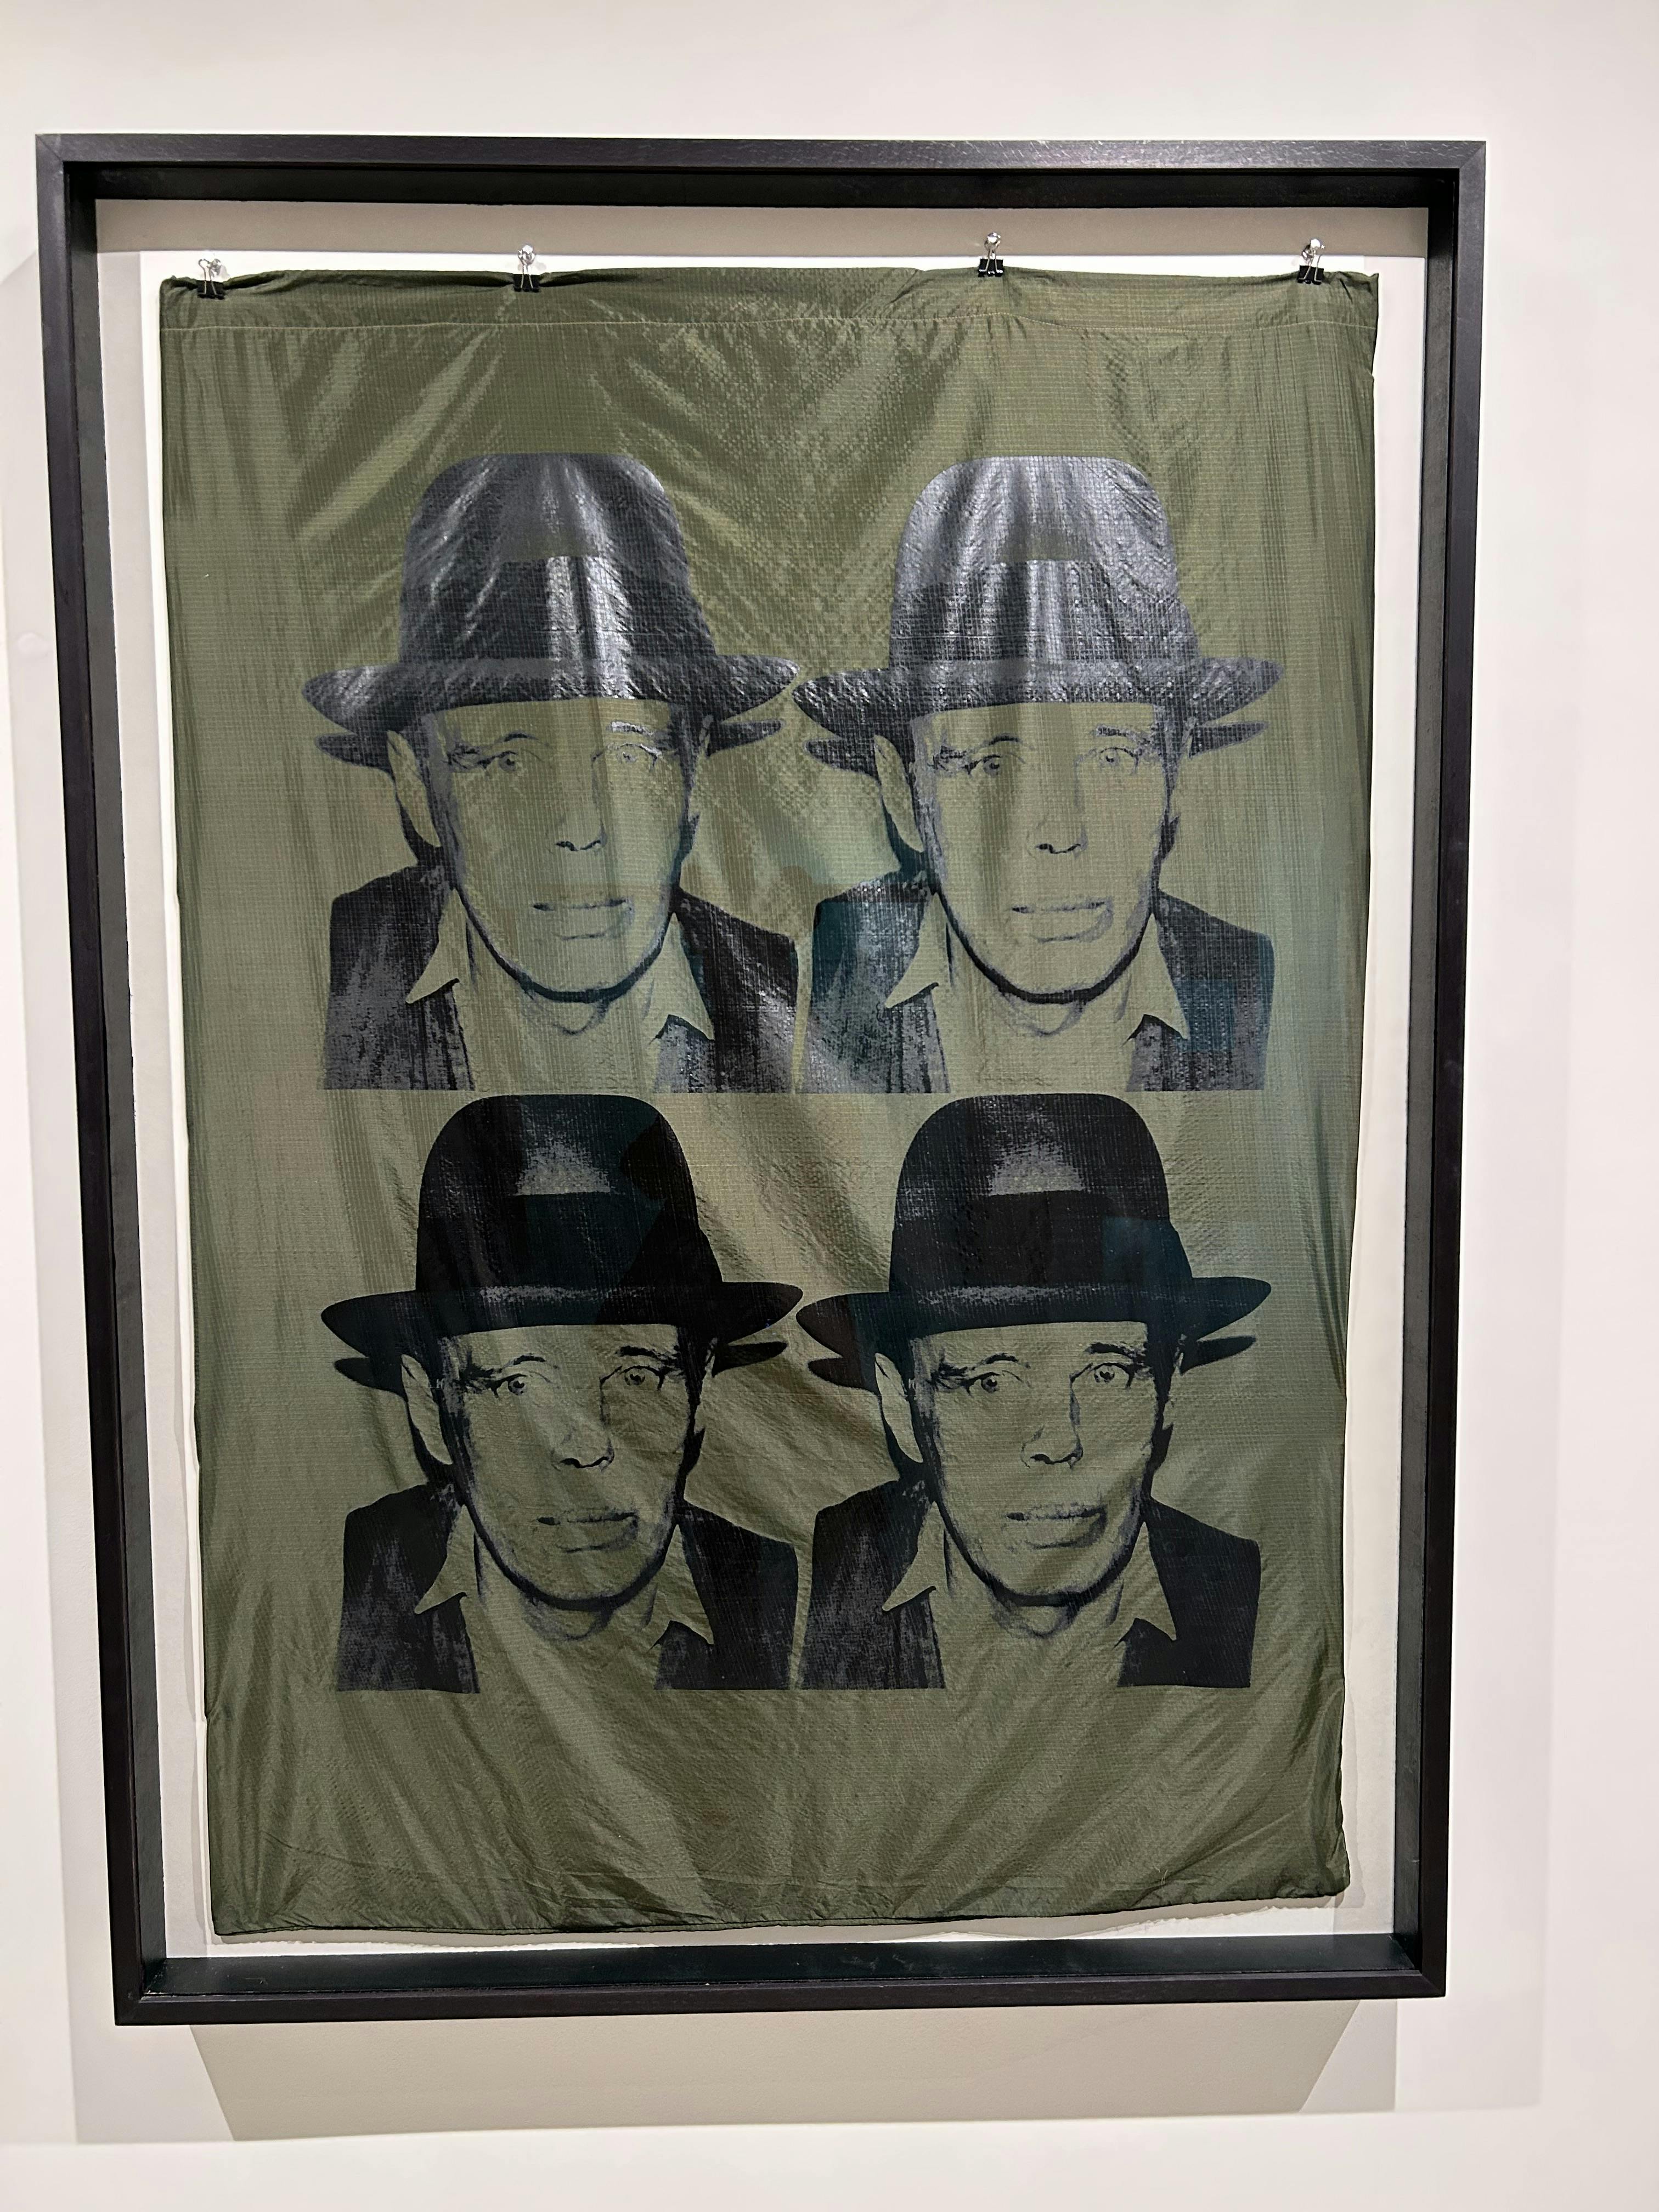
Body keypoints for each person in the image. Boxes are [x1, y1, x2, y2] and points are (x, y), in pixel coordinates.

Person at [305, 452, 799, 1092]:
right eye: (508, 763)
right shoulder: (324, 974)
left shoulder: (784, 996)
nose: (579, 828)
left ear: (694, 775)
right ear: (416, 784)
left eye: (628, 757)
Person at [794, 456, 1281, 1093]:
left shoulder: (1245, 988)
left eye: (1112, 758)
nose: (1060, 831)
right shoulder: (829, 970)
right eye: (990, 765)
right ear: (902, 790)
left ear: (1176, 774)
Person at [323, 1094, 802, 1692]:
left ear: (699, 1392)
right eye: (518, 1384)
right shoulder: (353, 1588)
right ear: (430, 1406)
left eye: (636, 1376)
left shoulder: (778, 1596)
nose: (585, 1444)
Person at [796, 1093, 1268, 1690]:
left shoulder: (1246, 1598)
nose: (1057, 1441)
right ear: (901, 1403)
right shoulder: (801, 1584)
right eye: (990, 1382)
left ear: (1168, 1388)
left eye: (1105, 1374)